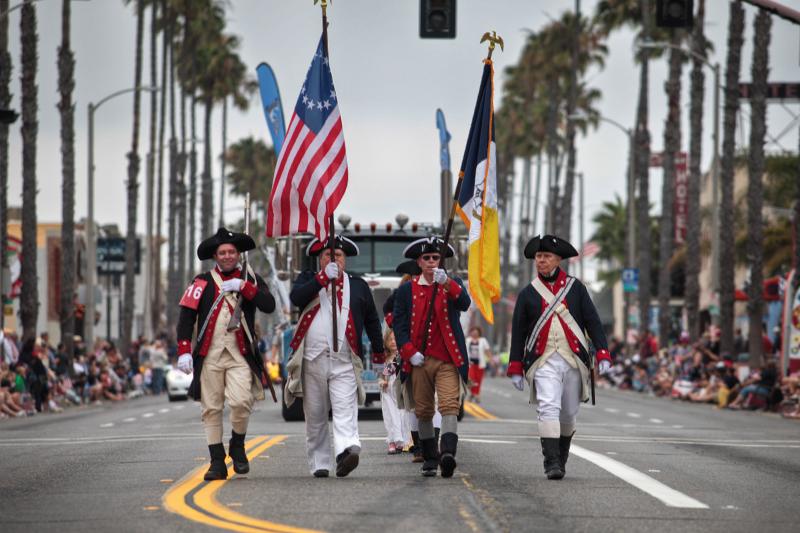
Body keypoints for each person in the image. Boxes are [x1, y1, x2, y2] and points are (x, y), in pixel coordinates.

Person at [507, 235, 611, 480]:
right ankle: (551, 462)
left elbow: (592, 322)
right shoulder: (527, 293)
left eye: (546, 257)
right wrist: (515, 366)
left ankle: (561, 458)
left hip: (573, 359)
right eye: (538, 257)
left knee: (568, 413)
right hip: (542, 360)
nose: (541, 261)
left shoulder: (576, 289)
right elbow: (519, 332)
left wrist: (603, 352)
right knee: (548, 407)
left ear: (557, 260)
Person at [176, 227, 276, 481]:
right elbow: (186, 317)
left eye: (232, 251)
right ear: (215, 256)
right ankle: (217, 461)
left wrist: (244, 287)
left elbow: (269, 304)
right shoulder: (202, 281)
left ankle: (238, 444)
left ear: (238, 254)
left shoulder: (250, 278)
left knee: (242, 401)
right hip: (210, 355)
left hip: (240, 353)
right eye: (223, 252)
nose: (228, 256)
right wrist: (184, 351)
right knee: (211, 408)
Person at [285, 235, 384, 478]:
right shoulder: (309, 280)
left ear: (345, 260)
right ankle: (319, 463)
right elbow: (295, 299)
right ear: (320, 259)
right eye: (328, 255)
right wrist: (321, 279)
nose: (333, 258)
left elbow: (372, 319)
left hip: (344, 360)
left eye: (338, 255)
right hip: (313, 358)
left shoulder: (358, 285)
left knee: (344, 409)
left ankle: (346, 451)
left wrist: (379, 351)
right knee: (316, 414)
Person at [393, 236, 471, 478]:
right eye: (426, 258)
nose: (431, 262)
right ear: (419, 261)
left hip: (447, 358)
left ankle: (447, 453)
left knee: (449, 405)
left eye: (435, 257)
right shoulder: (407, 290)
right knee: (424, 411)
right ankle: (429, 457)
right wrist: (408, 352)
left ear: (441, 260)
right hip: (419, 359)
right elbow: (399, 324)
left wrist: (448, 283)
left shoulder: (451, 282)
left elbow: (465, 304)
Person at [379, 329, 409, 454]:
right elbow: (382, 376)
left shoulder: (403, 356)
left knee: (403, 415)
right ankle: (392, 440)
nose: (393, 342)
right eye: (390, 339)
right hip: (388, 390)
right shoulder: (386, 359)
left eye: (395, 339)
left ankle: (403, 441)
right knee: (390, 415)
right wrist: (382, 382)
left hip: (401, 389)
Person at [466, 326, 492, 403]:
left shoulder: (483, 340)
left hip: (480, 364)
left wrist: (491, 359)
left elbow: (487, 350)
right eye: (473, 331)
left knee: (478, 380)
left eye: (476, 331)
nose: (474, 333)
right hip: (470, 363)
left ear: (479, 332)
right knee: (471, 379)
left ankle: (475, 394)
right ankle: (473, 393)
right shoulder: (468, 340)